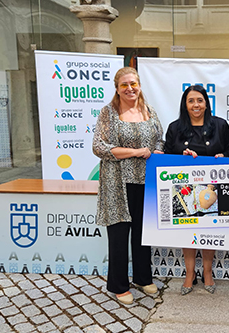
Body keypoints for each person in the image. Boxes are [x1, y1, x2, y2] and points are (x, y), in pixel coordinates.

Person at [93, 67, 164, 305]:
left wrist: (157, 151)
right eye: (124, 85)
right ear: (117, 88)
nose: (130, 88)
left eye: (133, 83)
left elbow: (160, 140)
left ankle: (143, 278)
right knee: (119, 233)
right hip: (117, 182)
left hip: (146, 181)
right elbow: (99, 147)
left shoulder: (150, 111)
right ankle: (118, 285)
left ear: (140, 85)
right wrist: (136, 152)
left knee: (144, 232)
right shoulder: (108, 112)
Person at [164, 85, 229, 295]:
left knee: (209, 230)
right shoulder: (175, 128)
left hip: (212, 191)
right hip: (185, 191)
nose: (196, 105)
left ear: (206, 103)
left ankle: (207, 272)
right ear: (185, 105)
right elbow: (167, 156)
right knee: (188, 230)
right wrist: (180, 156)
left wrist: (224, 156)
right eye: (191, 101)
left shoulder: (220, 125)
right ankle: (189, 273)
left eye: (200, 100)